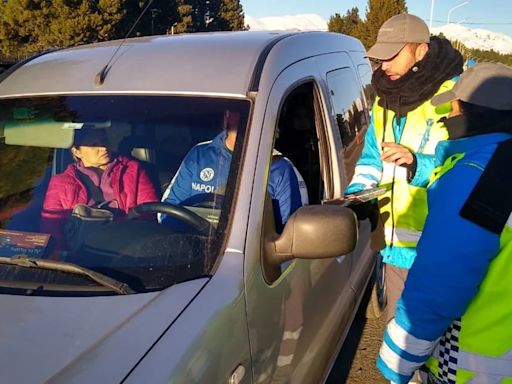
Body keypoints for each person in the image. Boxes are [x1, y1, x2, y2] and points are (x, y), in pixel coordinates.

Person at [377, 62, 512, 383]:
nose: (447, 118)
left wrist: (397, 359)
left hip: (473, 367)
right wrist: (420, 165)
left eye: (452, 109)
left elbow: (440, 283)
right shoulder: (496, 164)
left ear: (473, 112)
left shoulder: (475, 178)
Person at [345, 13, 463, 319]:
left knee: (437, 346)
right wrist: (358, 194)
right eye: (380, 57)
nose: (383, 66)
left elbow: (467, 166)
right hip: (393, 250)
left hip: (439, 253)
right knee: (403, 339)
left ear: (421, 51)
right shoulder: (384, 101)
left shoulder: (453, 98)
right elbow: (372, 159)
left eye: (392, 55)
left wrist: (416, 164)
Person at [160, 110, 308, 232]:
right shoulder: (199, 155)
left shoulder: (280, 169)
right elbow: (168, 212)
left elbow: (290, 236)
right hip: (193, 255)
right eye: (243, 111)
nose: (250, 117)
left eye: (258, 110)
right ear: (228, 116)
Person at [41, 128, 159, 252]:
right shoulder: (60, 182)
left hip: (125, 249)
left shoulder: (133, 170)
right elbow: (50, 224)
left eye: (104, 140)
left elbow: (149, 213)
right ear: (77, 152)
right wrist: (62, 257)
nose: (103, 148)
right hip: (80, 255)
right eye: (93, 144)